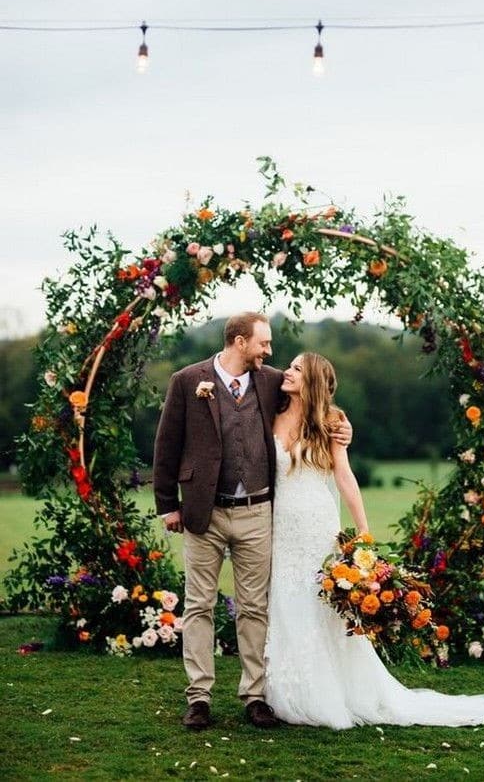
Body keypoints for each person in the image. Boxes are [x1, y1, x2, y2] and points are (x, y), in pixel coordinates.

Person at [265, 352, 484, 729]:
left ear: (312, 380)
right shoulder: (271, 409)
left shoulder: (332, 422)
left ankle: (330, 693)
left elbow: (344, 477)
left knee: (321, 606)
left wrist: (363, 533)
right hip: (281, 528)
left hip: (317, 524)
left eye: (297, 368)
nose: (287, 370)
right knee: (286, 601)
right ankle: (287, 690)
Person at [153, 313, 350, 731]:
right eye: (263, 343)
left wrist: (342, 425)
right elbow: (166, 445)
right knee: (199, 604)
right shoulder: (188, 380)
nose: (270, 352)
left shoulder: (269, 379)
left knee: (254, 607)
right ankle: (200, 697)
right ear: (240, 341)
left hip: (258, 512)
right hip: (202, 511)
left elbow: (316, 388)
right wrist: (168, 504)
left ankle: (254, 695)